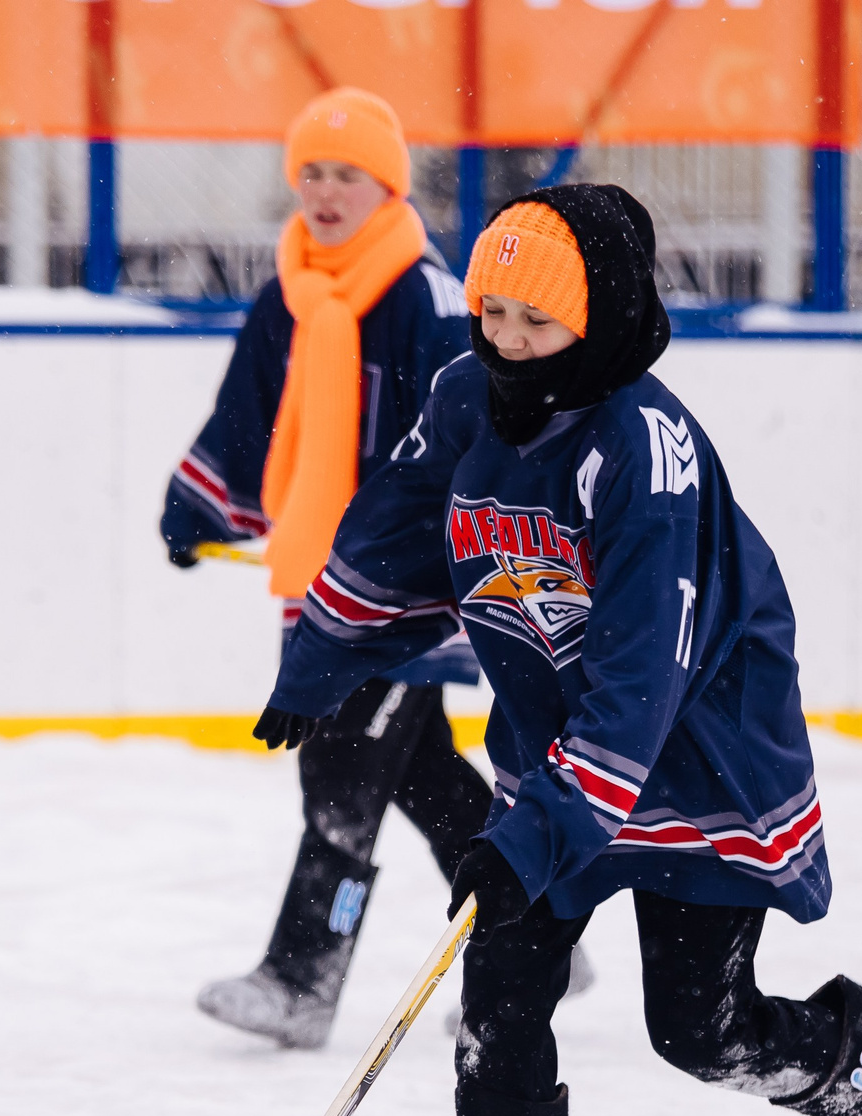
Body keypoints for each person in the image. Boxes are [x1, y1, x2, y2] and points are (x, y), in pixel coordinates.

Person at [253, 186, 862, 1116]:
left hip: (697, 762)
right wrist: (320, 662)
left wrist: (535, 832)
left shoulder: (646, 457)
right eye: (489, 310)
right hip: (561, 754)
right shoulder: (464, 398)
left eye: (531, 323)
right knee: (497, 1005)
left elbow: (643, 683)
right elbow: (388, 526)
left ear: (598, 320)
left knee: (704, 1032)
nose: (500, 337)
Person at [162, 88, 582, 1051]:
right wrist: (196, 504)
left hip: (413, 586)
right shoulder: (293, 291)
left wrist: (454, 549)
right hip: (323, 578)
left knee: (344, 774)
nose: (325, 189)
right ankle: (544, 920)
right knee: (425, 777)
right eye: (310, 170)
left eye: (347, 172)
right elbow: (246, 411)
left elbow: (474, 441)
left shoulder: (432, 302)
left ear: (387, 183)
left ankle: (303, 981)